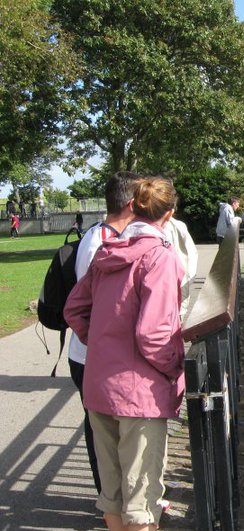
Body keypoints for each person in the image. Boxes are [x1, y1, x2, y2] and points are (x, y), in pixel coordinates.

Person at [64, 176, 185, 531]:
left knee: (113, 493)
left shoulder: (106, 251)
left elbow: (74, 309)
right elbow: (153, 334)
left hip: (101, 385)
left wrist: (102, 344)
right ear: (170, 214)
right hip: (141, 394)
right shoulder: (160, 257)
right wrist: (174, 368)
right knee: (144, 496)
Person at [68, 171, 140, 494]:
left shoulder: (101, 235)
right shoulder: (101, 243)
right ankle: (107, 497)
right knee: (100, 429)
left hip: (92, 352)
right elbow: (90, 306)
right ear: (130, 203)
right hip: (89, 355)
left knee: (105, 426)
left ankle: (112, 496)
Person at [164, 215, 198, 319]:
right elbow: (191, 256)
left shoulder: (175, 227)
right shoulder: (177, 226)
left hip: (173, 286)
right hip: (175, 286)